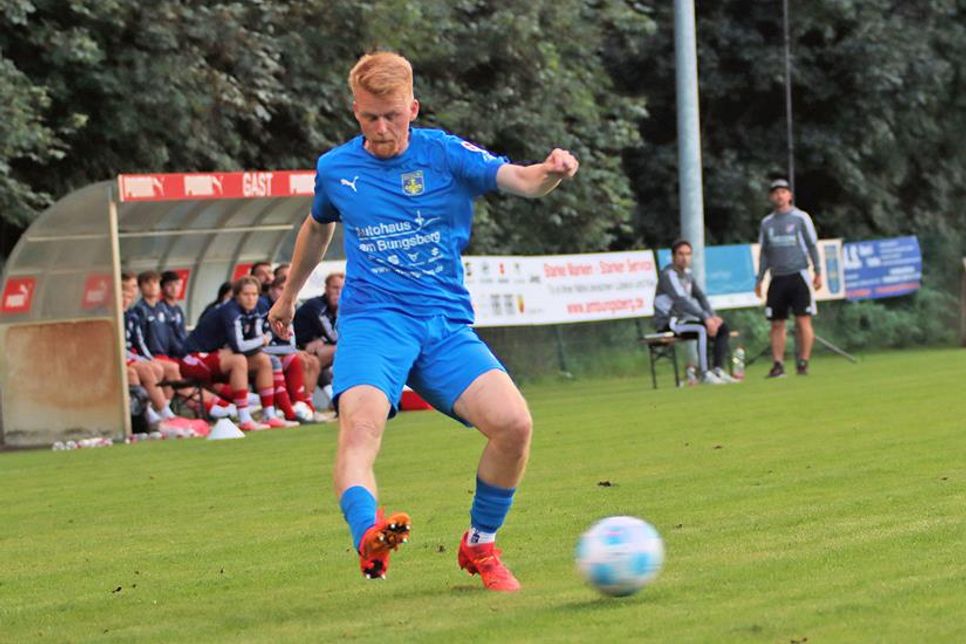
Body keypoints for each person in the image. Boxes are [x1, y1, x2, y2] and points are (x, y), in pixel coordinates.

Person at [269, 51, 578, 591]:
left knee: (514, 425)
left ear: (412, 107)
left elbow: (523, 181)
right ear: (355, 111)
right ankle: (369, 537)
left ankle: (480, 546)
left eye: (392, 115)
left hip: (442, 325)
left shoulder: (446, 154)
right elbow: (317, 228)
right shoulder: (337, 169)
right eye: (369, 117)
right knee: (359, 430)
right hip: (374, 322)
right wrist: (288, 296)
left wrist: (552, 172)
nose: (382, 128)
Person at [183, 276, 286, 430]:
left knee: (263, 360)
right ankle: (244, 418)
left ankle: (269, 415)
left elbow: (256, 340)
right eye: (246, 294)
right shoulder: (230, 311)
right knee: (238, 360)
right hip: (193, 358)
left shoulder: (258, 308)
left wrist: (263, 340)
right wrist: (263, 339)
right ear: (237, 295)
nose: (251, 298)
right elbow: (239, 346)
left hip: (217, 357)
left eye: (254, 294)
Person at [754, 178, 822, 377]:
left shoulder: (801, 218)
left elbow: (811, 245)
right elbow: (765, 253)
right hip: (778, 277)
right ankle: (778, 364)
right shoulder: (767, 223)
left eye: (783, 192)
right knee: (777, 323)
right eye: (776, 192)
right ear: (770, 197)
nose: (779, 195)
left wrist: (818, 272)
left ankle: (803, 361)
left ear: (790, 195)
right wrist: (759, 279)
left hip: (798, 274)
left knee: (803, 321)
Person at [653, 240, 737, 385]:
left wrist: (712, 316)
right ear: (673, 256)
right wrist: (705, 318)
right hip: (668, 322)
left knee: (722, 328)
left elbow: (700, 296)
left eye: (688, 254)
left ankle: (718, 370)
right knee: (701, 329)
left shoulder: (688, 275)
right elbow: (682, 300)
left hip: (681, 321)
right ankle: (704, 374)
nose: (684, 258)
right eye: (680, 254)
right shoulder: (668, 274)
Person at [293, 272, 343, 399]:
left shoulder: (341, 308)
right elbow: (334, 337)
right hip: (298, 349)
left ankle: (336, 399)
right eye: (335, 288)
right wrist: (325, 338)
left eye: (342, 288)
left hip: (315, 350)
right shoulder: (316, 306)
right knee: (342, 350)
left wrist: (322, 339)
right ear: (326, 288)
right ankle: (306, 402)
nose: (339, 292)